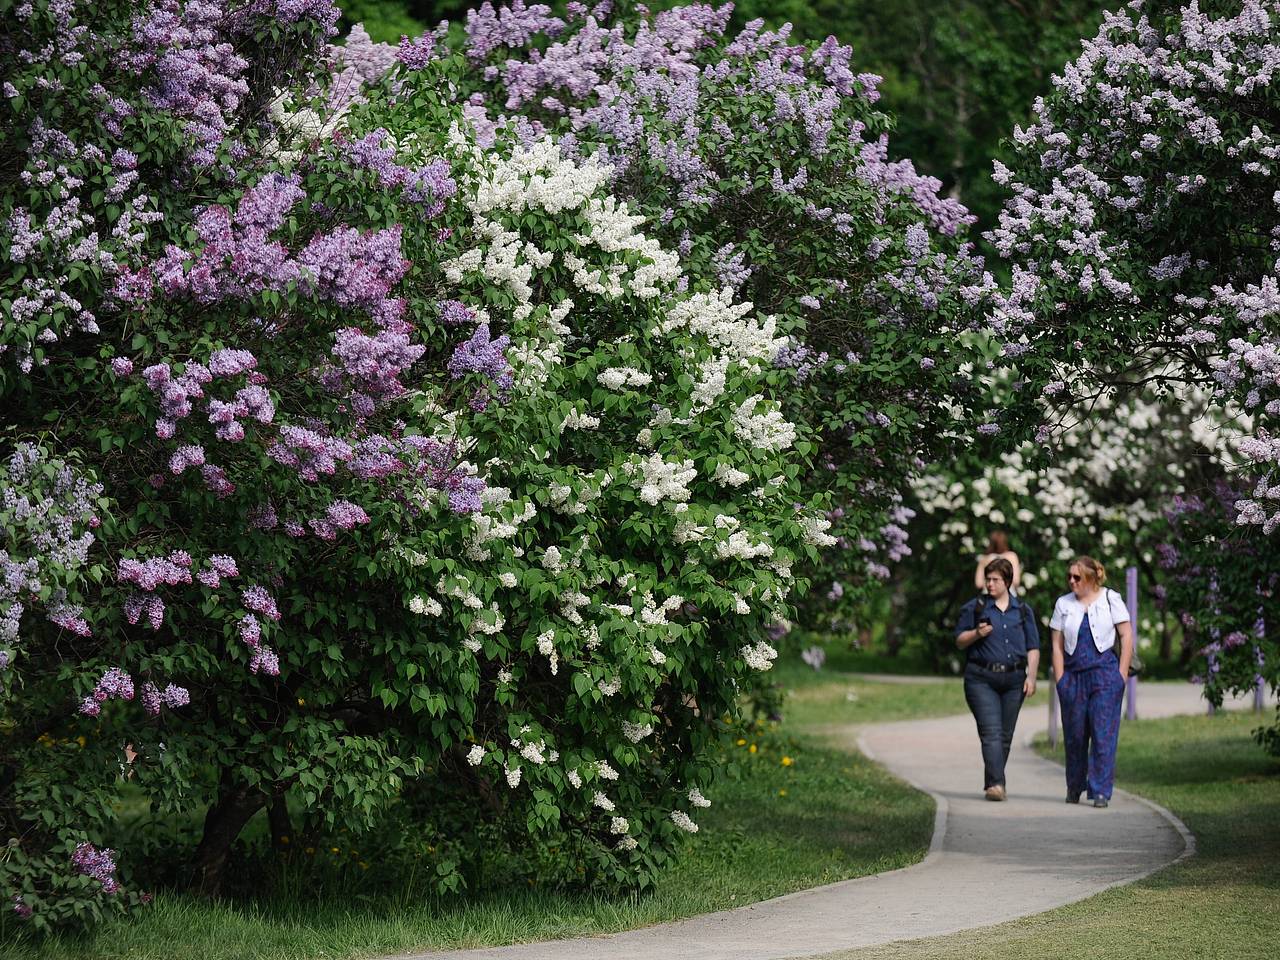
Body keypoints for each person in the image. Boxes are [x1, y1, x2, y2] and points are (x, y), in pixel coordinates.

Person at [1049, 556, 1134, 808]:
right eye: (1070, 577)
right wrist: (1061, 678)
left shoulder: (1111, 599)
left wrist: (1121, 675)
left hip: (1105, 676)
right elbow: (1056, 643)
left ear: (1092, 578)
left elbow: (1126, 635)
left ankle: (1100, 791)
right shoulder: (1063, 603)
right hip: (1073, 677)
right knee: (1075, 735)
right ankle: (1074, 786)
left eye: (1077, 577)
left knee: (1103, 733)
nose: (1071, 581)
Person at [955, 557, 1040, 801]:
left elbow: (1033, 647)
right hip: (981, 679)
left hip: (1014, 680)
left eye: (995, 580)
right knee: (991, 732)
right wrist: (976, 633)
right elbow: (959, 641)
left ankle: (994, 780)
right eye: (987, 579)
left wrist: (1031, 677)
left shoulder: (1023, 611)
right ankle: (996, 784)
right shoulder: (976, 607)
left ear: (1008, 582)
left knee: (1005, 735)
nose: (989, 584)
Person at [974, 530, 1021, 595]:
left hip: (988, 595)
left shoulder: (984, 559)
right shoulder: (1012, 556)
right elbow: (1016, 581)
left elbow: (978, 583)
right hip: (1007, 595)